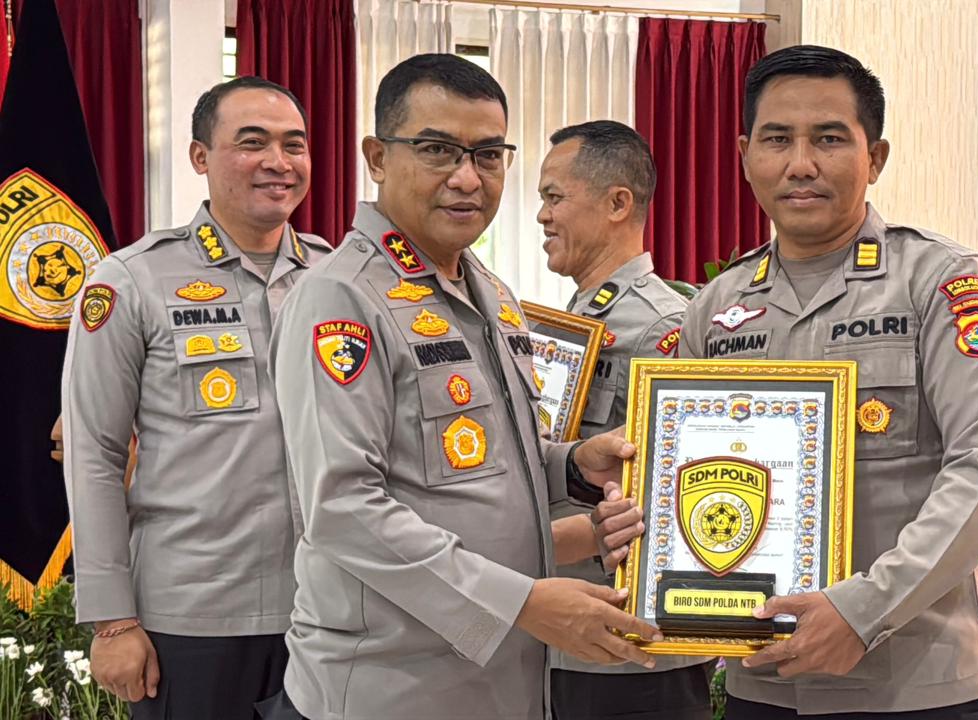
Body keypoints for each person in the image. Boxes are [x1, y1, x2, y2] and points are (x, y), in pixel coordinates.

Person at [265, 54, 659, 720]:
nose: (467, 177)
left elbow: (480, 459)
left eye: (487, 154)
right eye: (438, 150)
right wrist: (522, 603)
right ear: (378, 158)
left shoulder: (491, 293)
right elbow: (343, 508)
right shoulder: (341, 297)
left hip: (499, 681)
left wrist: (573, 466)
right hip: (392, 686)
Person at [678, 45, 978, 719]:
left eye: (829, 139)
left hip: (914, 683)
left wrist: (861, 611)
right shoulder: (715, 309)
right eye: (777, 139)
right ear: (745, 155)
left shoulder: (940, 282)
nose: (801, 163)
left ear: (876, 157)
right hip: (762, 684)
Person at [60, 76, 329, 720]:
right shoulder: (132, 280)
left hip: (329, 609)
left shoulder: (339, 279)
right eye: (252, 143)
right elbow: (94, 452)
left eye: (294, 144)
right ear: (200, 157)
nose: (278, 162)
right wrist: (112, 621)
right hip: (192, 616)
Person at [537, 120, 709, 720]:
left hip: (629, 645)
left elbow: (682, 487)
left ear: (617, 204)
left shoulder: (663, 327)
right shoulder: (578, 316)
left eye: (554, 197)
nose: (542, 216)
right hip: (569, 627)